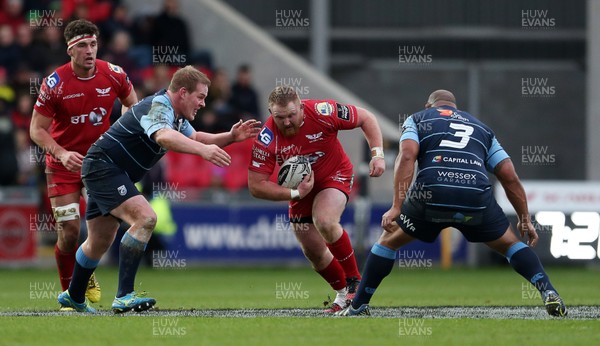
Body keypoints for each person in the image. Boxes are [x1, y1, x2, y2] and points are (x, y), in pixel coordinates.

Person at [337, 90, 567, 317]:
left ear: (429, 105)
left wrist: (397, 206)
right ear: (456, 108)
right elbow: (509, 175)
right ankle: (548, 291)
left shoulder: (417, 118)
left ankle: (358, 306)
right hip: (474, 195)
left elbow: (407, 156)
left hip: (432, 194)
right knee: (510, 245)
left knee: (387, 242)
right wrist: (525, 219)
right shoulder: (483, 129)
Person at [57, 65, 261, 313]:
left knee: (98, 241)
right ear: (183, 92)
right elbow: (164, 137)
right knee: (146, 218)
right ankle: (124, 296)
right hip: (104, 168)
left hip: (107, 170)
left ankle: (74, 296)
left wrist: (230, 136)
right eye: (201, 97)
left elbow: (196, 138)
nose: (203, 104)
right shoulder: (159, 106)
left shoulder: (176, 115)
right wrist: (204, 152)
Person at [247, 86, 386, 313]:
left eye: (292, 115)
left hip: (335, 174)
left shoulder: (323, 111)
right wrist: (295, 193)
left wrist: (377, 155)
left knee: (324, 220)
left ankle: (355, 282)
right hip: (301, 188)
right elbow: (256, 186)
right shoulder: (267, 137)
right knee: (313, 251)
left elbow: (366, 117)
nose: (287, 122)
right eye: (280, 117)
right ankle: (343, 295)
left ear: (301, 107)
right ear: (270, 113)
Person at [30, 19, 138, 308]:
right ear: (70, 50)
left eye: (93, 44)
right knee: (68, 232)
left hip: (101, 162)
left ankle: (81, 278)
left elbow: (132, 104)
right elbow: (36, 129)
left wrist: (121, 135)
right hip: (63, 165)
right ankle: (73, 293)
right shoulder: (54, 83)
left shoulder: (114, 74)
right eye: (82, 46)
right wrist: (62, 152)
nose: (89, 51)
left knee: (104, 234)